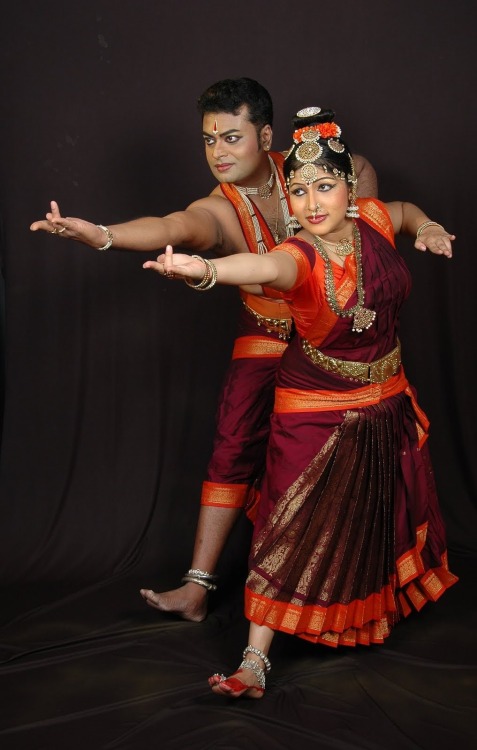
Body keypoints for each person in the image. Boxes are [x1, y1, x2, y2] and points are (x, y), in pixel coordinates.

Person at [30, 79, 378, 622]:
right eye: (208, 140)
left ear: (266, 136)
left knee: (342, 439)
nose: (218, 152)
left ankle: (341, 583)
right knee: (233, 440)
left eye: (231, 138)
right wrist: (101, 235)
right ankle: (197, 587)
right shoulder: (219, 208)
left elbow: (367, 198)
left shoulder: (314, 172)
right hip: (266, 329)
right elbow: (174, 227)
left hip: (330, 336)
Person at [143, 105, 458, 699]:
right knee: (287, 524)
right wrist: (205, 270)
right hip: (315, 408)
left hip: (385, 397)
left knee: (377, 512)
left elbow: (406, 212)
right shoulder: (299, 256)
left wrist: (430, 227)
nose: (312, 204)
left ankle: (365, 611)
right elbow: (257, 264)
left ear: (347, 188)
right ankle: (255, 661)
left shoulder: (372, 220)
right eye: (299, 193)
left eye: (324, 188)